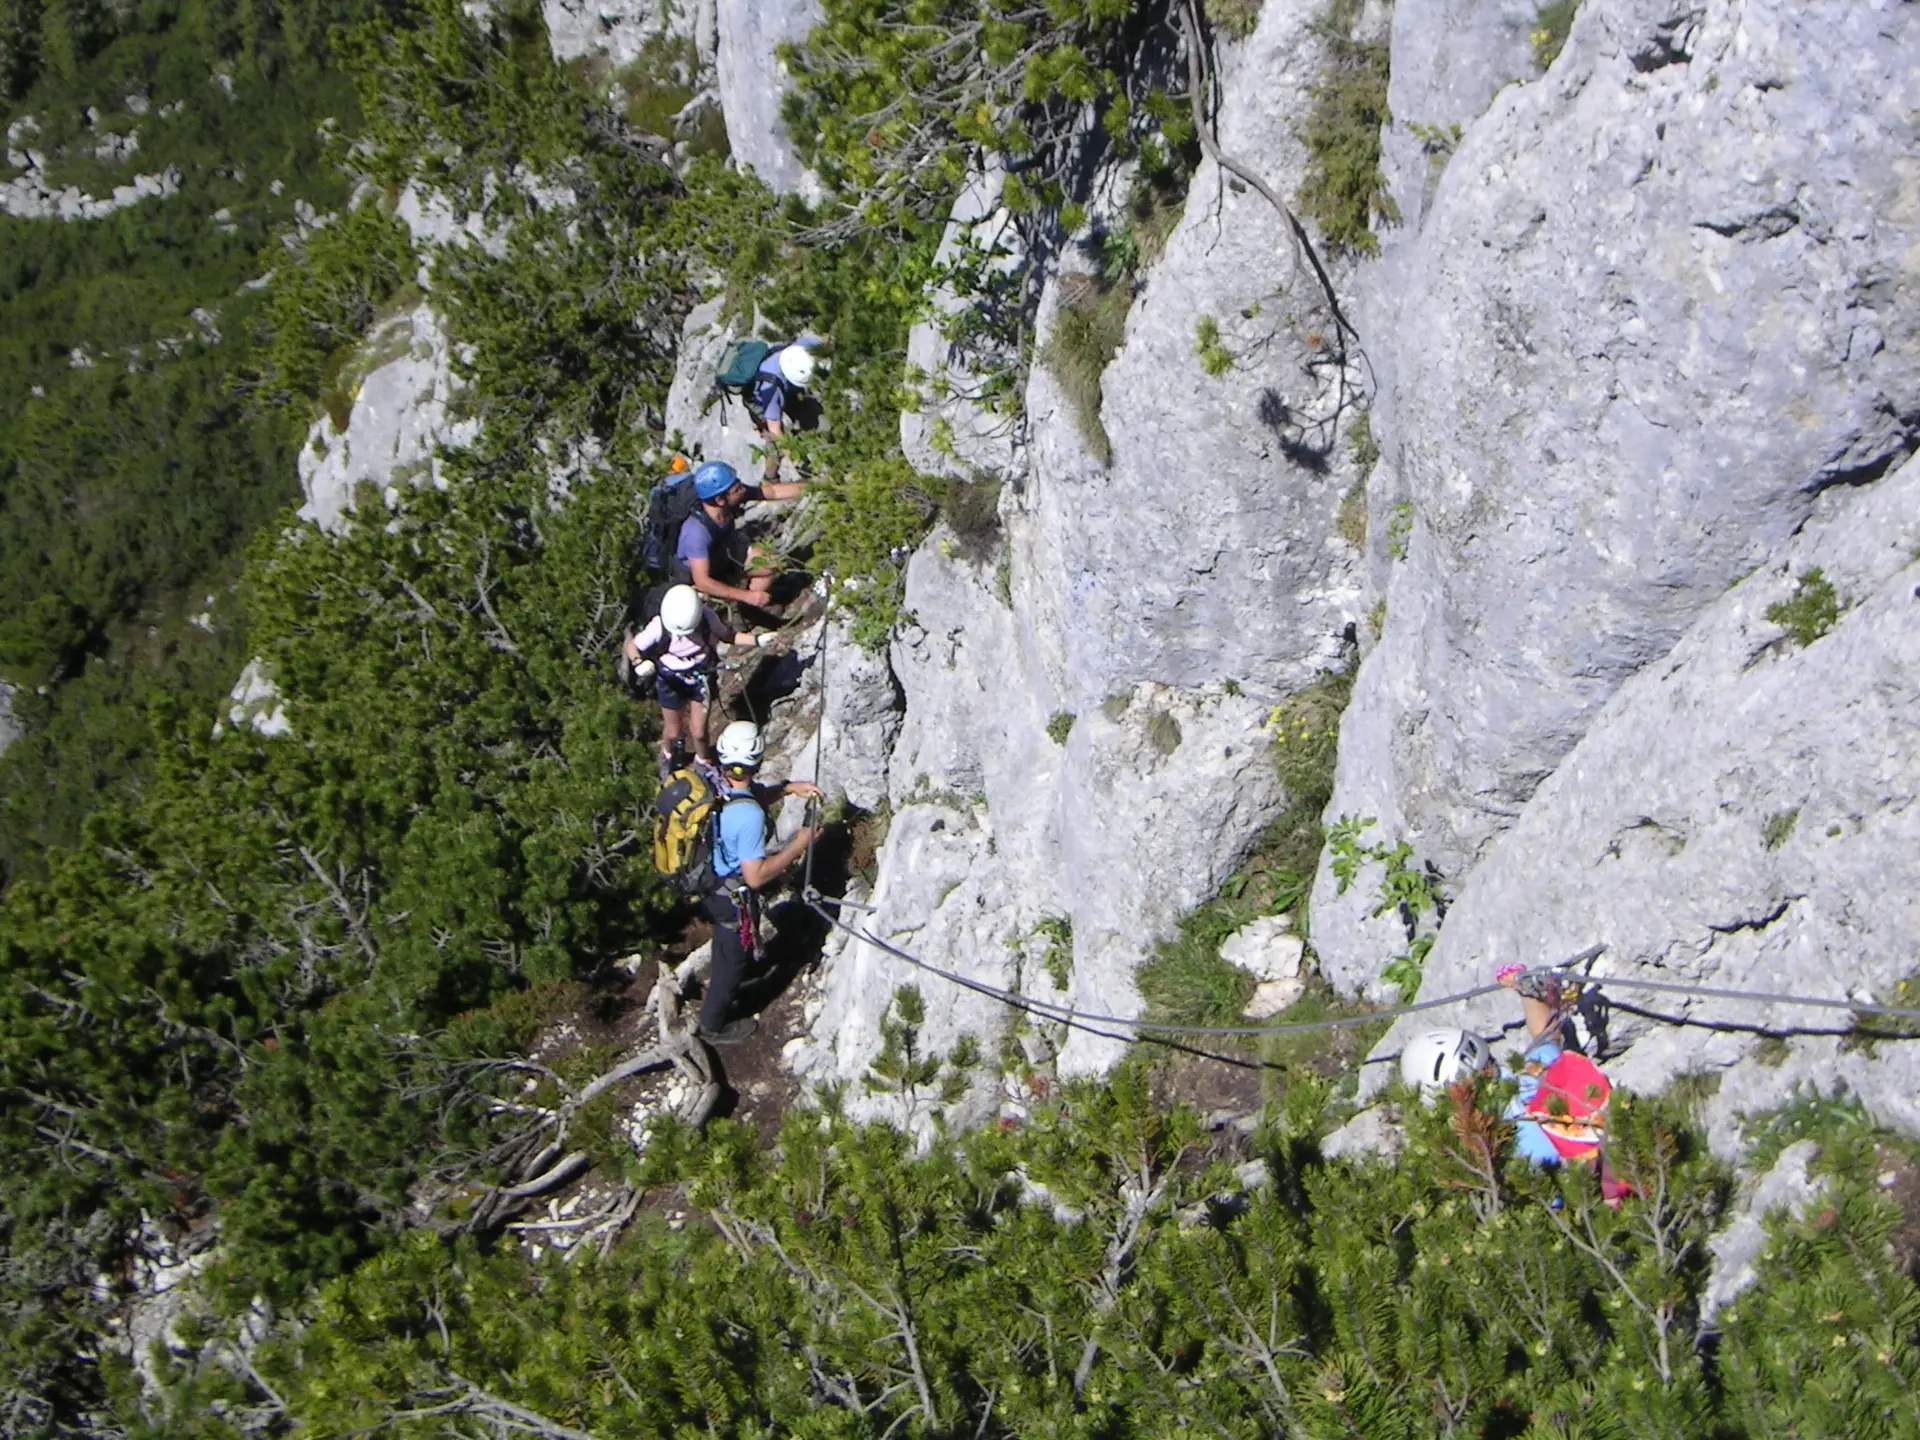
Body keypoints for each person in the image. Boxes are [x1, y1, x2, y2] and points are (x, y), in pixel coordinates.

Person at [1400, 967, 1629, 1201]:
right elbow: (1546, 1036)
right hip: (1620, 1163)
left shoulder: (1481, 1152)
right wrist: (1526, 988)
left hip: (1579, 1207)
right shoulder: (1529, 1080)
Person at [696, 720, 823, 1045]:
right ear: (757, 760)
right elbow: (756, 876)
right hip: (731, 893)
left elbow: (749, 795)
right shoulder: (749, 816)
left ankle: (724, 978)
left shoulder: (716, 783)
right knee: (733, 961)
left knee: (726, 945)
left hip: (713, 882)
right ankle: (713, 1026)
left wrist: (788, 788)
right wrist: (799, 844)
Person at [624, 585, 775, 781]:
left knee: (699, 732)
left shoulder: (707, 618)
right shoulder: (659, 626)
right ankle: (667, 755)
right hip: (671, 681)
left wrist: (758, 640)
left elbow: (729, 636)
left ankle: (703, 761)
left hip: (701, 679)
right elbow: (633, 646)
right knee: (673, 731)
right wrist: (638, 662)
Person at [675, 460, 803, 612]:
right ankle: (742, 608)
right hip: (705, 573)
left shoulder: (731, 496)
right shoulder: (696, 533)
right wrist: (747, 596)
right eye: (737, 489)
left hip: (723, 555)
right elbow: (703, 581)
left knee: (772, 564)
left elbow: (772, 492)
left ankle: (748, 608)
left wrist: (815, 486)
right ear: (720, 500)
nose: (743, 490)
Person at [747, 338, 822, 485]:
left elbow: (824, 341)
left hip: (787, 389)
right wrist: (796, 458)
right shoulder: (770, 389)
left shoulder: (801, 350)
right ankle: (770, 480)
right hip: (760, 401)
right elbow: (776, 432)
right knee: (773, 444)